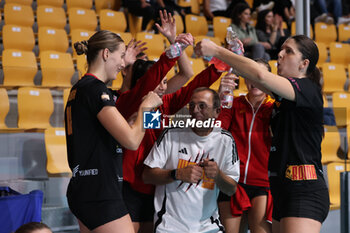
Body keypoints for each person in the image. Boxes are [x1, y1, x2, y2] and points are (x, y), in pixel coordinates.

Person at [194, 34, 330, 233]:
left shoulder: (307, 89)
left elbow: (261, 76)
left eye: (289, 51)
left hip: (304, 189)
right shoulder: (283, 99)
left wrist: (217, 51)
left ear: (304, 64)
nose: (280, 54)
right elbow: (256, 80)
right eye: (281, 49)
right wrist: (236, 55)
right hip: (282, 189)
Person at [64, 30, 163, 233]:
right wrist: (146, 109)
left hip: (89, 189)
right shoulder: (96, 89)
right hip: (101, 192)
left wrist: (134, 119)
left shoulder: (81, 88)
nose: (122, 64)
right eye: (121, 57)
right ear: (106, 54)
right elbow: (132, 141)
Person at [143, 87, 240, 233]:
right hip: (169, 227)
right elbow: (146, 176)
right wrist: (176, 174)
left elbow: (231, 189)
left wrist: (218, 175)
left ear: (217, 112)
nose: (195, 110)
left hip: (209, 227)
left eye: (202, 106)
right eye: (192, 105)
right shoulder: (171, 134)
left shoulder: (226, 140)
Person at [217, 59, 274, 233]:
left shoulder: (274, 108)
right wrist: (221, 98)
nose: (254, 80)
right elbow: (218, 130)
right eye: (250, 75)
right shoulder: (234, 104)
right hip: (232, 181)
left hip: (262, 183)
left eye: (258, 75)